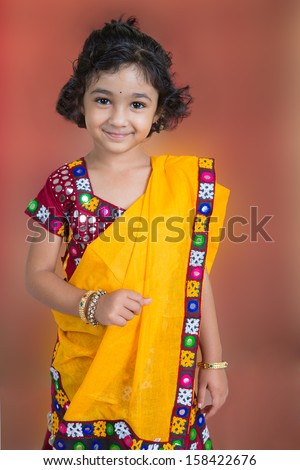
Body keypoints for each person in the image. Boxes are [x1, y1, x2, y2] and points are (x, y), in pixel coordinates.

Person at [25, 16, 230, 451]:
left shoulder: (179, 186)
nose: (119, 118)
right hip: (88, 368)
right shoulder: (64, 186)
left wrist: (214, 361)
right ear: (80, 100)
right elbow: (38, 275)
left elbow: (195, 280)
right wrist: (91, 304)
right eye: (103, 99)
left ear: (159, 111)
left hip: (165, 366)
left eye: (137, 104)